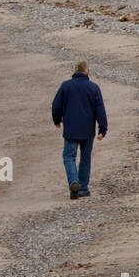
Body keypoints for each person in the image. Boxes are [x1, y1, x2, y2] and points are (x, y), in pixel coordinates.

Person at [51, 61, 108, 200]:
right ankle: (82, 188)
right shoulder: (94, 88)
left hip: (71, 129)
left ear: (75, 72)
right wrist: (103, 128)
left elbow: (56, 105)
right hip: (88, 130)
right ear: (87, 72)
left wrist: (56, 120)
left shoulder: (66, 86)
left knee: (69, 157)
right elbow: (100, 109)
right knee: (85, 158)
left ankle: (73, 181)